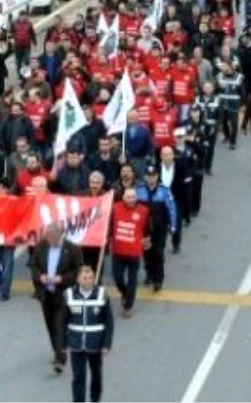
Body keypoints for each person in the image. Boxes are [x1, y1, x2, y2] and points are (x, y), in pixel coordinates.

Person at [30, 224, 84, 374]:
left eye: (51, 237)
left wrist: (62, 278)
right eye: (47, 237)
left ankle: (60, 357)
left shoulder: (73, 249)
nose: (48, 240)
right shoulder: (41, 247)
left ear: (60, 235)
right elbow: (33, 266)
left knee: (60, 325)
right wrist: (40, 276)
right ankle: (57, 349)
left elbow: (79, 270)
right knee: (50, 324)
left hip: (63, 294)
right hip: (46, 293)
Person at [65, 266, 114, 403]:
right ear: (78, 279)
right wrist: (63, 344)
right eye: (85, 278)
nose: (88, 281)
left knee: (96, 375)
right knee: (78, 377)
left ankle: (95, 398)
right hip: (76, 345)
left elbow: (109, 322)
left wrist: (106, 344)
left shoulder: (102, 295)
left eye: (91, 278)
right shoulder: (69, 295)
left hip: (95, 345)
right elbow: (63, 321)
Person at [109, 188, 151, 318]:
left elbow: (148, 228)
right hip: (118, 251)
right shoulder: (114, 208)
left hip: (134, 252)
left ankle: (128, 306)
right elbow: (109, 225)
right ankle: (124, 293)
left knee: (132, 280)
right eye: (128, 197)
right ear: (123, 197)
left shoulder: (144, 210)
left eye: (133, 197)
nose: (130, 199)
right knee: (117, 277)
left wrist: (147, 238)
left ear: (136, 198)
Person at [136, 165, 176, 291]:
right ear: (145, 177)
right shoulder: (139, 190)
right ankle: (149, 273)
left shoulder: (164, 191)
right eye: (148, 176)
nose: (151, 179)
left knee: (158, 252)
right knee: (146, 252)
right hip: (144, 227)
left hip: (160, 227)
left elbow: (172, 208)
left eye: (153, 176)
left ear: (157, 177)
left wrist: (173, 225)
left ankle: (158, 280)